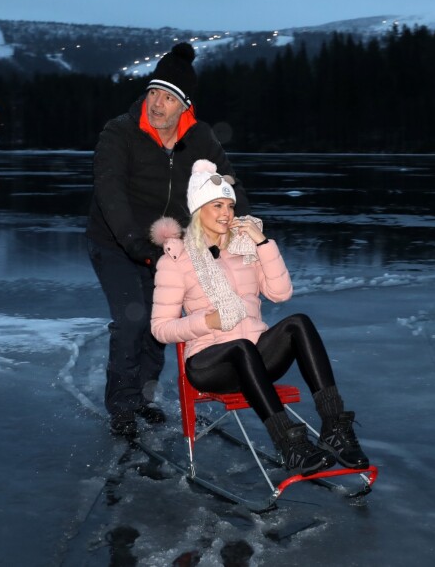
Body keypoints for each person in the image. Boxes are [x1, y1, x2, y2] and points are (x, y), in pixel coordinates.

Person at [150, 159, 370, 475]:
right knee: (240, 347)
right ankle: (290, 445)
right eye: (216, 205)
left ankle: (335, 427)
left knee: (299, 323)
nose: (226, 213)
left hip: (257, 354)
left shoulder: (245, 248)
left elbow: (280, 293)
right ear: (199, 210)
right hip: (211, 363)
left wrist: (262, 244)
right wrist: (206, 322)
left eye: (229, 205)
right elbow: (160, 328)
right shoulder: (177, 258)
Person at [87, 43, 250, 438]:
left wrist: (239, 227)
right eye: (154, 93)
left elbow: (228, 186)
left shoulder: (201, 139)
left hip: (170, 248)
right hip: (116, 243)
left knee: (161, 326)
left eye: (169, 97)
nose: (157, 104)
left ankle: (144, 397)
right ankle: (123, 405)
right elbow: (111, 193)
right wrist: (133, 242)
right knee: (134, 318)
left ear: (185, 107)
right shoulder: (119, 132)